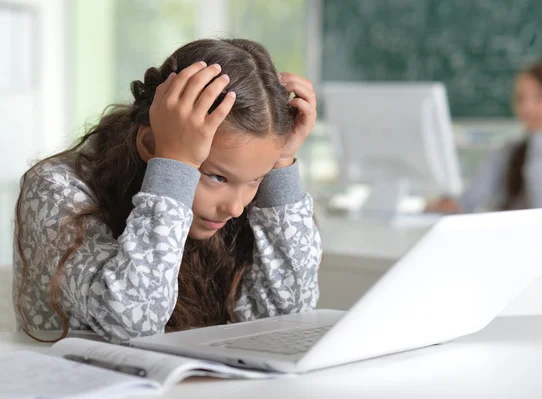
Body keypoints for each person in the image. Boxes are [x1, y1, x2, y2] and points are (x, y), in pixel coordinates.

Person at [13, 38, 322, 343]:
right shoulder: (55, 187)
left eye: (256, 180)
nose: (236, 208)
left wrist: (280, 165)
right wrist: (175, 167)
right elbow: (132, 324)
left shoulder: (231, 207)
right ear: (149, 145)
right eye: (217, 177)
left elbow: (288, 315)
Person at [428, 60, 542, 213]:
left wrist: (541, 137)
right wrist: (449, 205)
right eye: (520, 98)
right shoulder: (507, 152)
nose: (527, 107)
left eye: (540, 97)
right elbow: (469, 201)